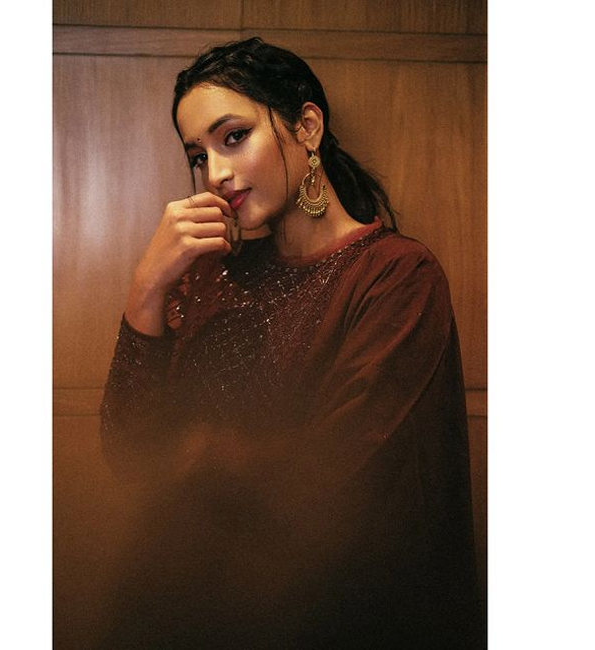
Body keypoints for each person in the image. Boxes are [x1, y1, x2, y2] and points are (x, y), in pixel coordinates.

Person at [99, 37, 483, 649]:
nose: (216, 174)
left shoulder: (395, 277)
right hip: (181, 610)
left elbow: (335, 478)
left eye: (233, 137)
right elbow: (128, 453)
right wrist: (145, 289)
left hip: (327, 619)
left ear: (307, 126)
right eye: (198, 155)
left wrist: (196, 454)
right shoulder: (209, 276)